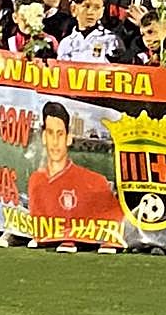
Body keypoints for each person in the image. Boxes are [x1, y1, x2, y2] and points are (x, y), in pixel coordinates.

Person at [25, 101, 123, 254]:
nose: (55, 142)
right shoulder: (35, 181)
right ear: (44, 137)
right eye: (50, 133)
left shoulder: (95, 181)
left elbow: (116, 220)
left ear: (69, 138)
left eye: (60, 134)